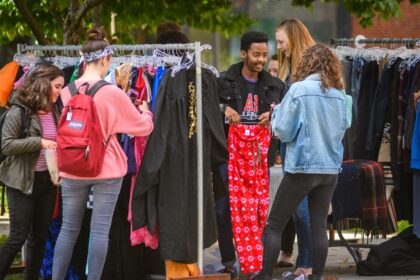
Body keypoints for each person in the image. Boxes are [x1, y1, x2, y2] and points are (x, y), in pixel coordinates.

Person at [52, 27, 154, 280]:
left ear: (83, 59)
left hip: (73, 166)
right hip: (106, 168)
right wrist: (146, 110)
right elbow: (142, 128)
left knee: (68, 230)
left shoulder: (67, 91)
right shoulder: (113, 93)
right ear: (106, 60)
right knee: (99, 231)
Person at [254, 44, 351, 280]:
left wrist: (275, 115)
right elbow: (345, 125)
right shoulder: (340, 95)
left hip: (303, 167)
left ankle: (264, 276)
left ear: (307, 64)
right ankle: (315, 276)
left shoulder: (298, 90)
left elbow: (284, 131)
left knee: (274, 224)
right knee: (319, 226)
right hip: (330, 168)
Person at [217, 31, 284, 276]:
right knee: (225, 209)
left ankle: (256, 263)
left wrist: (273, 116)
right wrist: (224, 108)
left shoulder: (275, 85)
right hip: (229, 156)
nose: (261, 60)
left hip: (260, 156)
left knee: (258, 211)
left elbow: (285, 118)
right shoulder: (223, 81)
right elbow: (208, 111)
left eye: (264, 55)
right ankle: (228, 261)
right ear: (243, 53)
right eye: (256, 54)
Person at [0, 64, 64, 280]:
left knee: (39, 238)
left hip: (47, 182)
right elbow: (7, 145)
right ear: (43, 84)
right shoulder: (19, 110)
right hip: (21, 182)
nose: (59, 91)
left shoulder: (56, 109)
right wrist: (39, 142)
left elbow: (57, 143)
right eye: (56, 86)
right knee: (18, 237)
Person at [275, 18, 316, 279]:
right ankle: (306, 263)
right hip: (296, 147)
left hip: (305, 149)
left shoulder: (307, 70)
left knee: (303, 211)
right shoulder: (292, 68)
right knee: (303, 212)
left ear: (293, 37)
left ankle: (307, 264)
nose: (279, 47)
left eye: (281, 41)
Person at [267, 54, 296, 269]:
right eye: (271, 70)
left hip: (285, 156)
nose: (273, 74)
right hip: (267, 157)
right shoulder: (265, 90)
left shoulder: (289, 93)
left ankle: (287, 252)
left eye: (277, 70)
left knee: (287, 208)